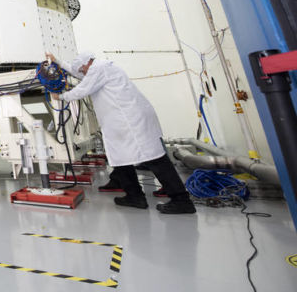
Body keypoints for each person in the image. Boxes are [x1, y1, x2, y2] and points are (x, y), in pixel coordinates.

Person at [48, 51, 195, 214]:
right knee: (120, 159)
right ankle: (134, 196)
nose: (82, 73)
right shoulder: (98, 69)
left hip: (131, 121)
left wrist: (60, 97)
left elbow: (83, 89)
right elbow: (80, 74)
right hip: (122, 123)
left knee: (155, 159)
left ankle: (181, 200)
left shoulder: (99, 68)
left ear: (87, 64)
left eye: (82, 70)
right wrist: (58, 61)